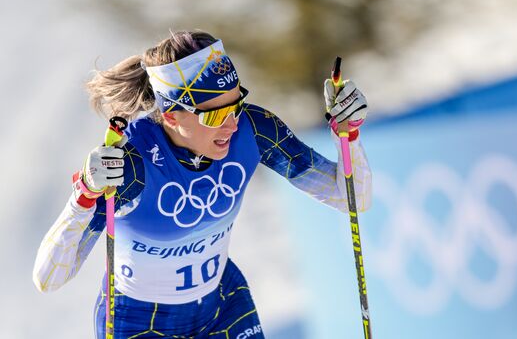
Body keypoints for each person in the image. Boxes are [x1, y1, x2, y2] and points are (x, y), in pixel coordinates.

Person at [32, 30, 372, 339]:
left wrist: (350, 134)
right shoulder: (134, 165)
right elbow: (48, 279)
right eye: (212, 115)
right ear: (170, 116)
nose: (230, 125)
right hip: (140, 321)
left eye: (236, 105)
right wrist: (84, 196)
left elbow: (352, 199)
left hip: (222, 304)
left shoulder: (253, 130)